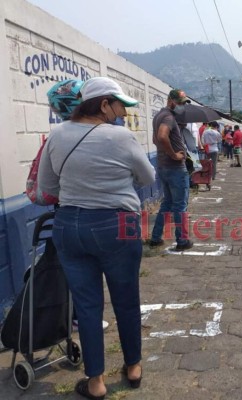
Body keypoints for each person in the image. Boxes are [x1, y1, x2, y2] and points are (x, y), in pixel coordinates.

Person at [39, 76, 155, 399]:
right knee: (126, 300)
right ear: (104, 104)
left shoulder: (58, 135)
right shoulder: (122, 137)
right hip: (118, 225)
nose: (122, 113)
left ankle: (96, 383)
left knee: (88, 307)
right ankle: (133, 368)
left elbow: (47, 187)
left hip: (70, 226)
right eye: (119, 106)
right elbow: (147, 176)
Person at [46, 79, 110, 333]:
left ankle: (78, 317)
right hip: (98, 216)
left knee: (79, 274)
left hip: (66, 214)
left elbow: (41, 187)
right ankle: (77, 317)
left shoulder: (56, 137)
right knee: (91, 274)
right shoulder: (103, 136)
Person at [149, 89, 193, 251]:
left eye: (183, 103)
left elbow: (155, 139)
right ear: (170, 101)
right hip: (174, 168)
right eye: (180, 103)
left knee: (167, 203)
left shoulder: (159, 116)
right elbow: (161, 136)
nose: (182, 106)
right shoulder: (168, 117)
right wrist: (174, 155)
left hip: (163, 166)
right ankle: (182, 240)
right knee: (180, 205)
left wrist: (165, 152)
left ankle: (155, 237)